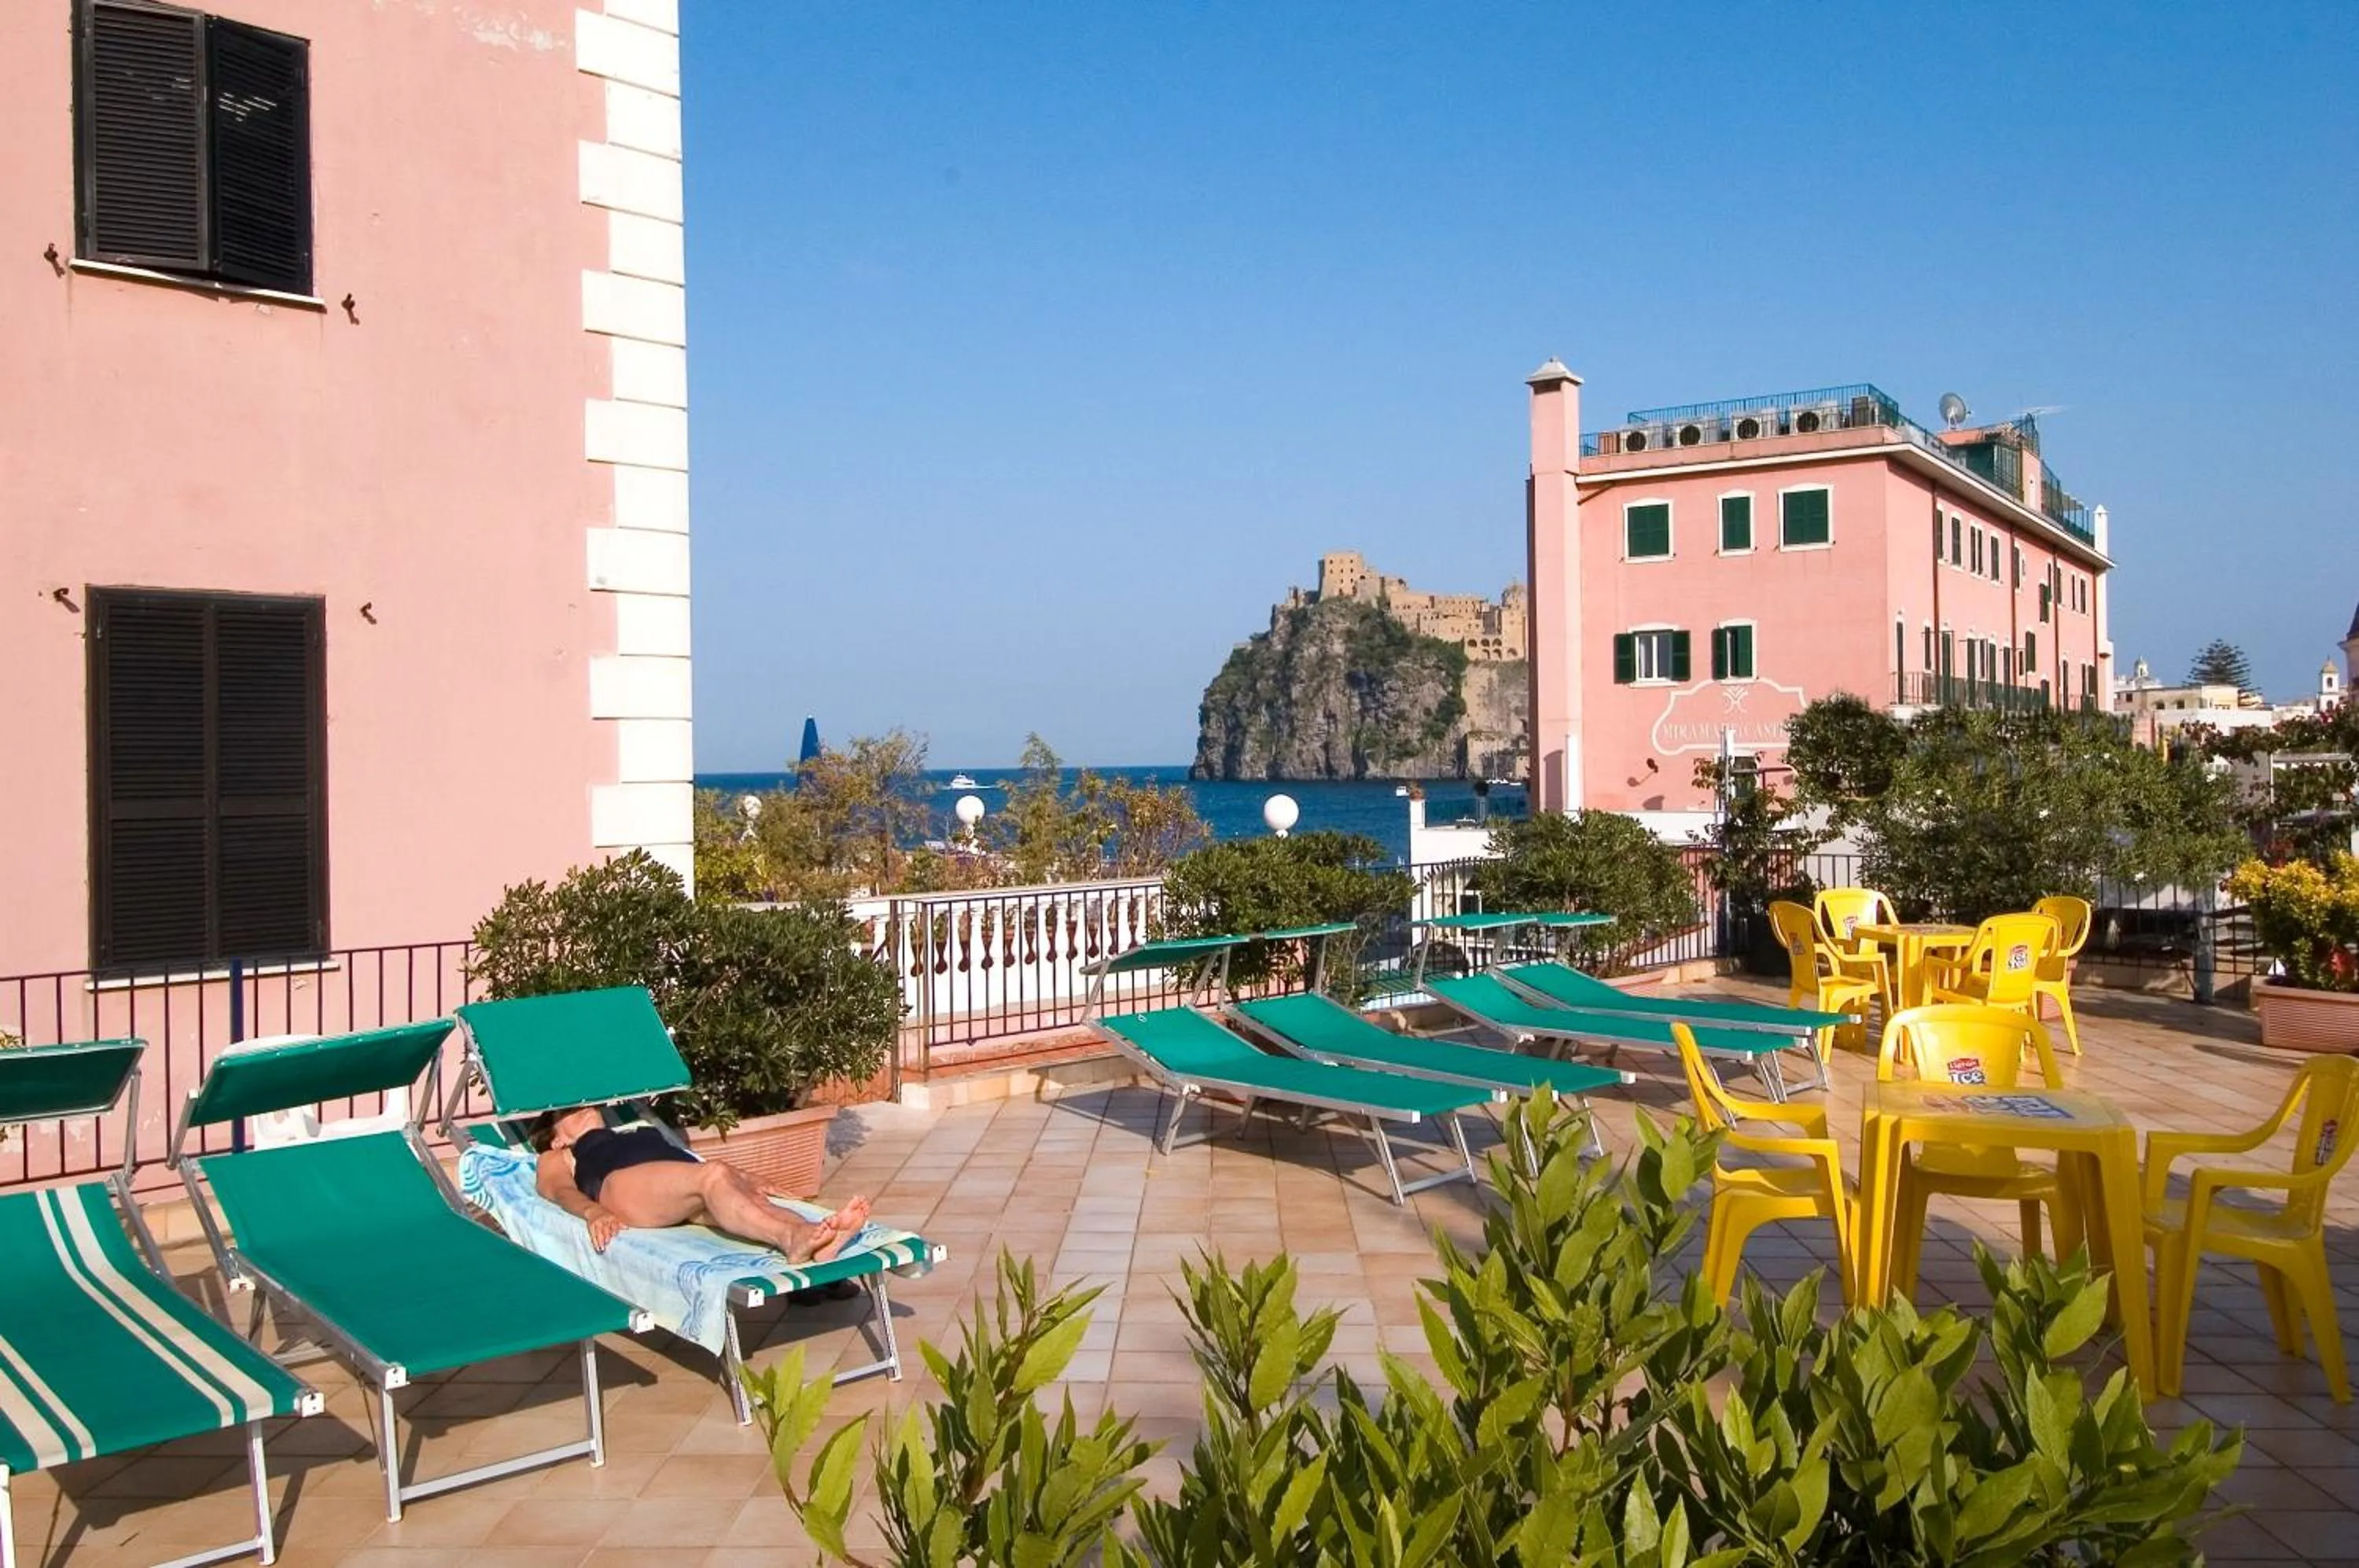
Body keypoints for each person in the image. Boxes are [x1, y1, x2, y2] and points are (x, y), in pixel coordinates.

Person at [530, 1106, 872, 1263]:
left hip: (674, 1184)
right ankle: (791, 1240)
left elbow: (686, 1165)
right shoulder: (561, 1155)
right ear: (557, 1138)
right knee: (714, 1174)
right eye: (568, 1112)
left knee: (753, 1202)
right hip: (621, 1185)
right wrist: (593, 1212)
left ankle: (820, 1238)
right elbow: (559, 1191)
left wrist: (749, 1180)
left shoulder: (632, 1129)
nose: (583, 1107)